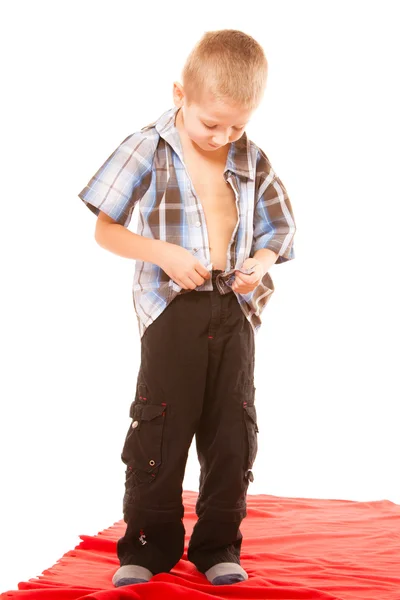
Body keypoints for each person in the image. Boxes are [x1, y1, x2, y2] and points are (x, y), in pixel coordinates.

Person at [78, 28, 296, 587]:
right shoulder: (146, 146)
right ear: (180, 93)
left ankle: (219, 544)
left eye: (237, 125)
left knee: (232, 431)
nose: (223, 135)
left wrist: (262, 262)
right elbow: (106, 229)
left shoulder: (251, 157)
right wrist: (163, 254)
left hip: (234, 311)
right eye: (211, 123)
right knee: (160, 429)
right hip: (171, 309)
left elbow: (279, 230)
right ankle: (146, 547)